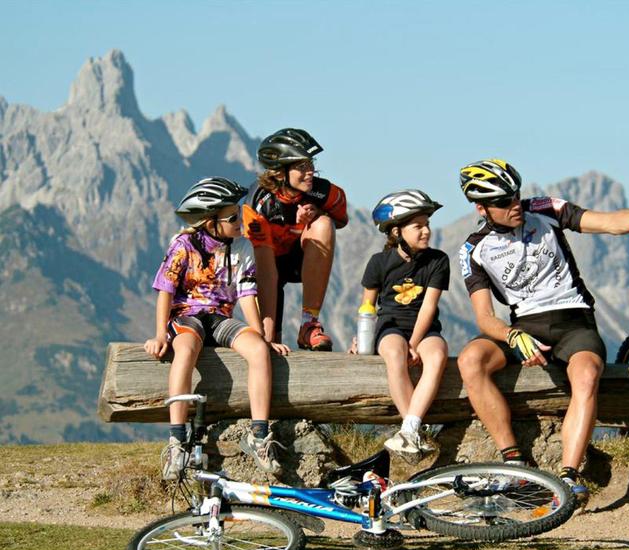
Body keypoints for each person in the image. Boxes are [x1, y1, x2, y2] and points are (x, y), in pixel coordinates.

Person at [456, 159, 629, 503]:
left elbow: (609, 223)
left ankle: (569, 477)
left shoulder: (544, 209)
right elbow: (484, 318)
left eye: (515, 196)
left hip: (574, 322)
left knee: (586, 374)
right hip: (525, 326)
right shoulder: (472, 249)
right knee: (470, 360)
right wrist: (512, 335)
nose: (514, 205)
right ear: (481, 208)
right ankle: (516, 465)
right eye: (502, 201)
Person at [144, 177, 281, 479]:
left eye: (240, 213)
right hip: (187, 314)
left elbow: (247, 295)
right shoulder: (183, 244)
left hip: (220, 316)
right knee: (187, 350)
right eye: (233, 218)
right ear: (210, 222)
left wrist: (261, 336)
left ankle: (259, 436)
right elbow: (165, 289)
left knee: (258, 350)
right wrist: (158, 334)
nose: (241, 221)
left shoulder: (243, 247)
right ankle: (177, 440)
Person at [356, 190, 450, 462]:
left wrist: (415, 342)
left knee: (437, 354)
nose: (426, 231)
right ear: (397, 232)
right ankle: (416, 434)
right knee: (395, 354)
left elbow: (429, 306)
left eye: (427, 224)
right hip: (390, 326)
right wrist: (359, 338)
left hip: (424, 327)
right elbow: (367, 307)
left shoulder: (437, 260)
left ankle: (409, 429)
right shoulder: (378, 262)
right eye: (418, 226)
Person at [242, 128, 348, 353]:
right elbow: (266, 270)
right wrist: (267, 336)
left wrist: (317, 213)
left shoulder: (323, 191)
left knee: (323, 224)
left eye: (311, 163)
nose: (310, 172)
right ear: (280, 173)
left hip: (299, 260)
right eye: (301, 167)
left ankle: (309, 325)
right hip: (266, 265)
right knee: (269, 342)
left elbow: (342, 220)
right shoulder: (258, 204)